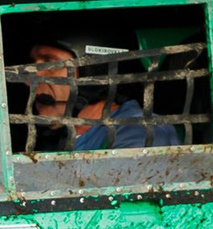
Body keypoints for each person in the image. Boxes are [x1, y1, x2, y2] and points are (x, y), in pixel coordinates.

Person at [20, 39, 182, 152]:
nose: (30, 81)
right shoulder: (56, 137)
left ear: (95, 73)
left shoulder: (142, 132)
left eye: (51, 64)